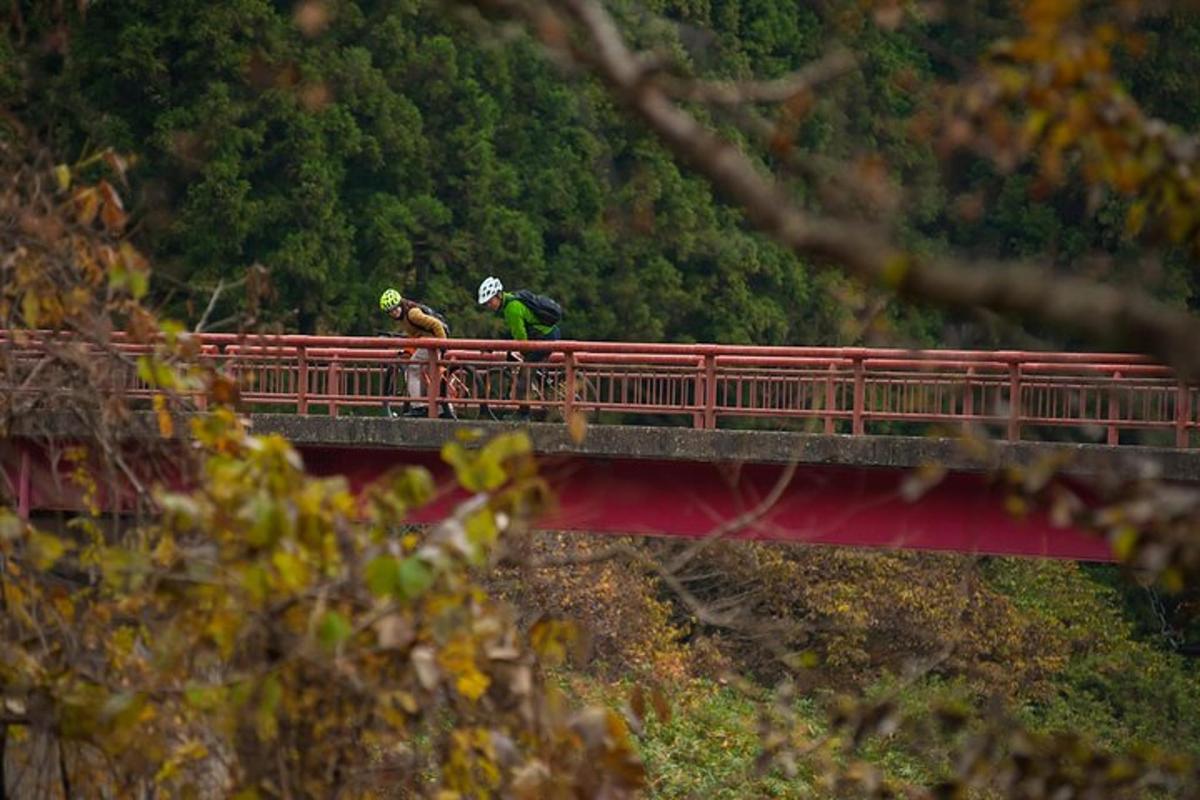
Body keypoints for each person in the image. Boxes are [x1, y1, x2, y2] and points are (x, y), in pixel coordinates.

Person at [477, 277, 564, 420]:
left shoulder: (512, 309)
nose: (489, 305)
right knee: (532, 367)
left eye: (490, 301)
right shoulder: (512, 299)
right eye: (486, 304)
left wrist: (518, 352)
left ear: (498, 295)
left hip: (545, 337)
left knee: (524, 375)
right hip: (550, 333)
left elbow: (521, 339)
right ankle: (547, 387)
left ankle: (524, 414)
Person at [379, 288, 456, 419]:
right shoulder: (403, 317)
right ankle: (445, 410)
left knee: (413, 369)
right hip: (427, 343)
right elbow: (416, 333)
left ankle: (418, 406)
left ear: (400, 303)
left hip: (432, 343)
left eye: (396, 308)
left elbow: (436, 325)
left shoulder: (412, 314)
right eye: (390, 311)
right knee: (433, 377)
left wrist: (443, 346)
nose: (394, 312)